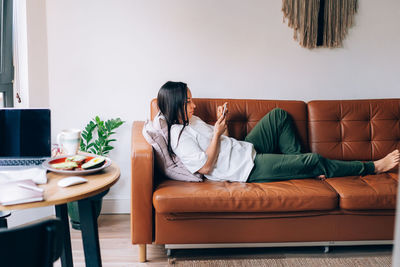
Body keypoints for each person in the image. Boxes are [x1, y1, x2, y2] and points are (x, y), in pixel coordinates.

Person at [157, 81, 400, 183]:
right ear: (176, 104)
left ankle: (302, 166)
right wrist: (219, 134)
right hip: (245, 169)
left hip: (245, 149)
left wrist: (223, 123)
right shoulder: (179, 138)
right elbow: (207, 168)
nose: (194, 104)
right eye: (189, 101)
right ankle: (374, 167)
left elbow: (226, 141)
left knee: (278, 116)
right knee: (314, 160)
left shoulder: (194, 120)